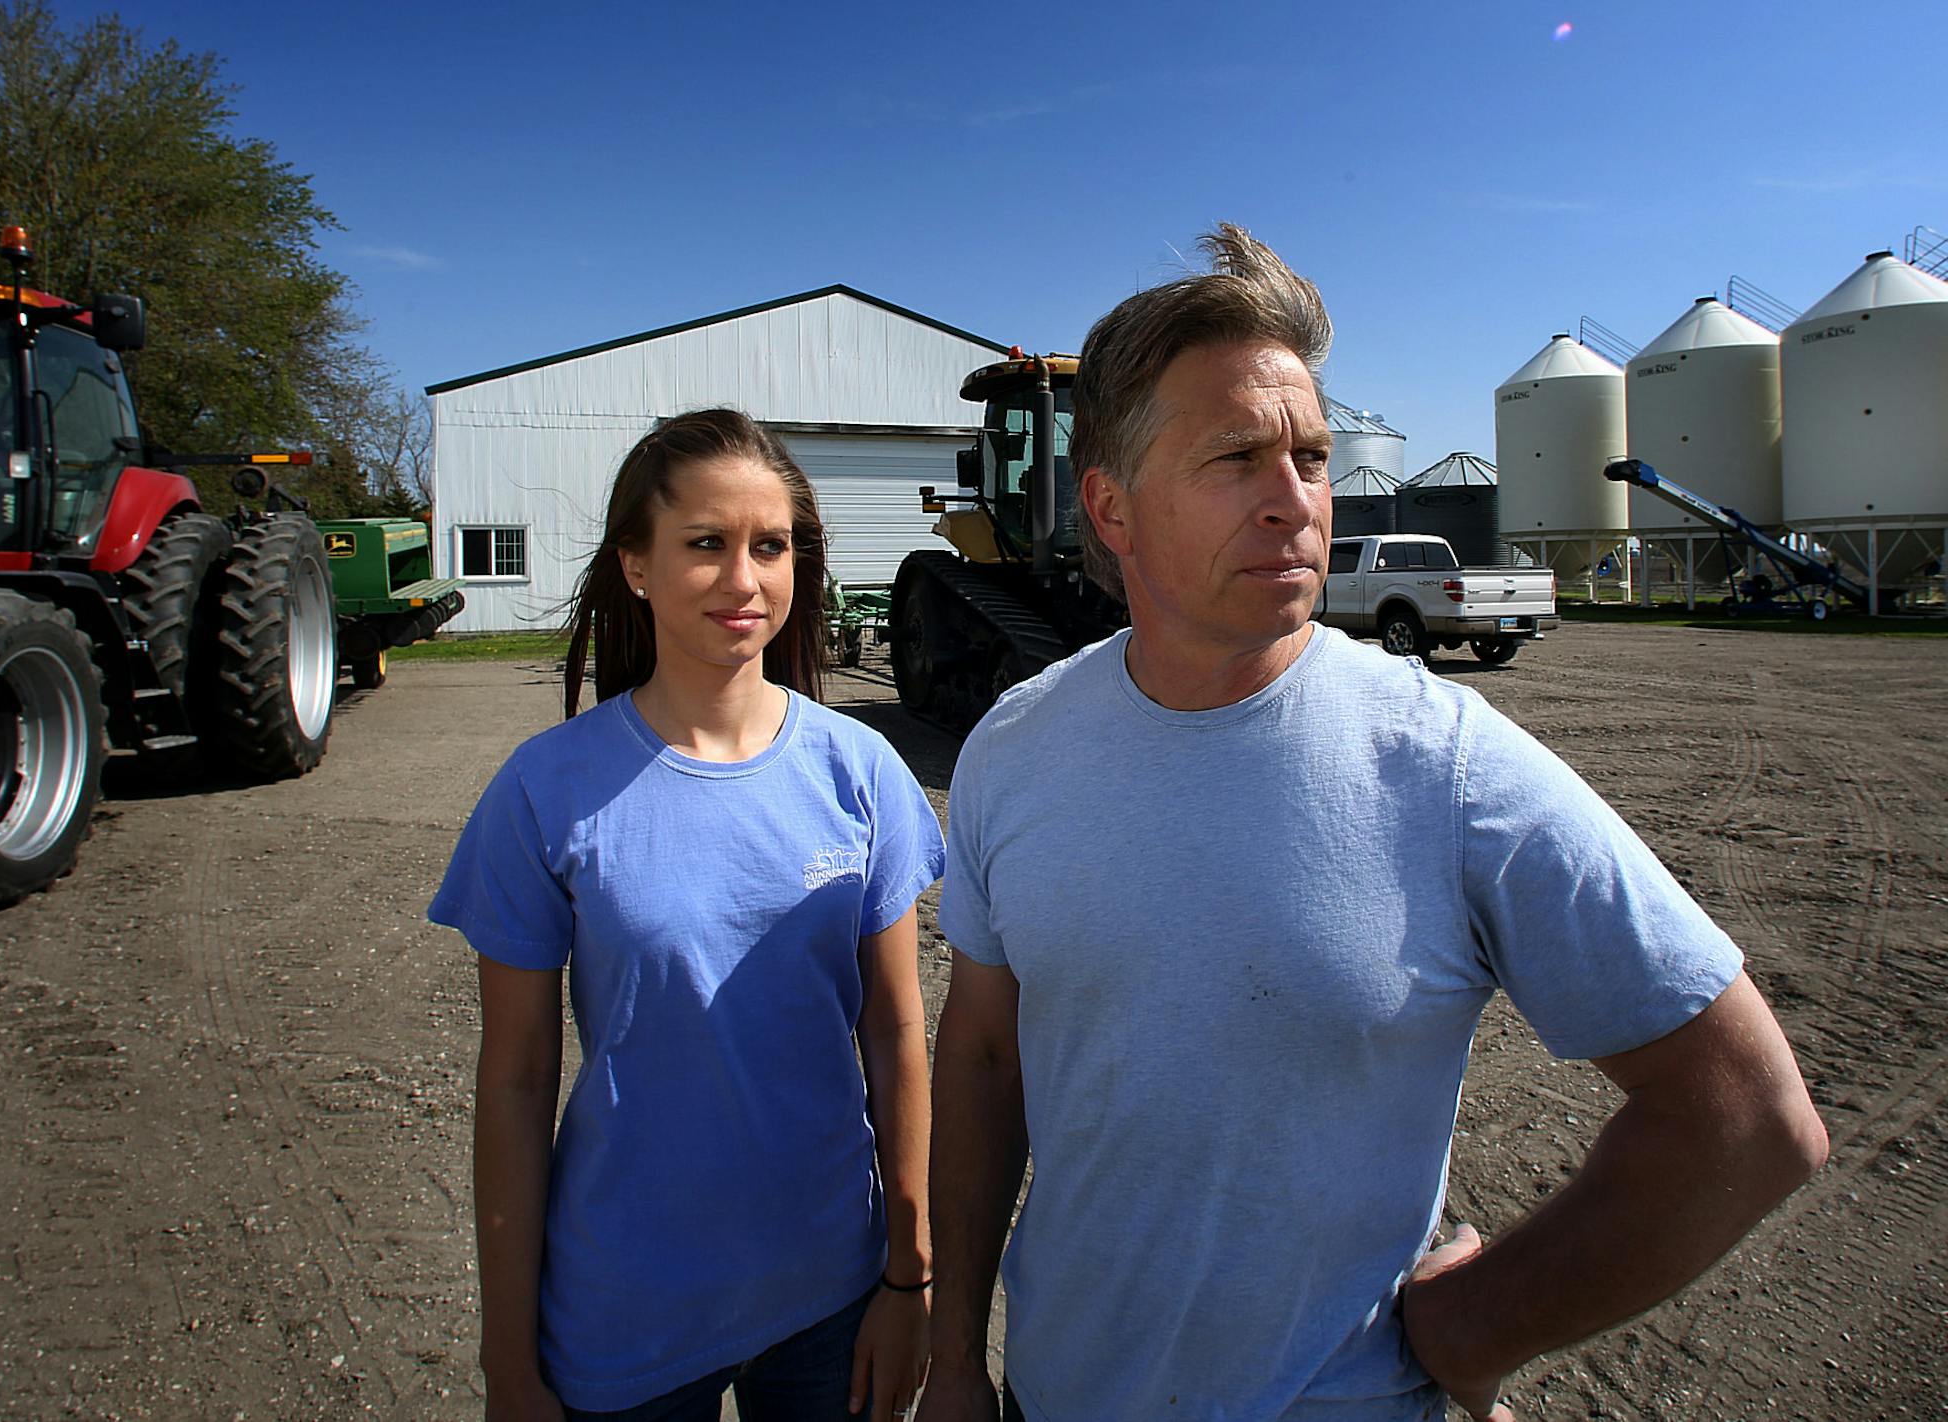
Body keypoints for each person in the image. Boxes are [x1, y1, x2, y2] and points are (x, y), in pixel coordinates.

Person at [916, 227, 1827, 1422]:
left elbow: (1749, 1119)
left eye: (1310, 455)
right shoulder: (1016, 748)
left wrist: (1481, 1317)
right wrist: (949, 1362)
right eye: (1238, 456)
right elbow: (984, 1057)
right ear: (1112, 507)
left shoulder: (1443, 760)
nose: (1295, 501)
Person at [431, 408, 945, 1421]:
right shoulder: (546, 793)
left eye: (771, 545)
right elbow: (518, 1080)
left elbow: (895, 1034)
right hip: (626, 1305)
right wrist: (507, 1359)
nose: (744, 579)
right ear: (636, 565)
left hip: (830, 1295)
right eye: (705, 544)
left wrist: (909, 1278)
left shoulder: (863, 775)